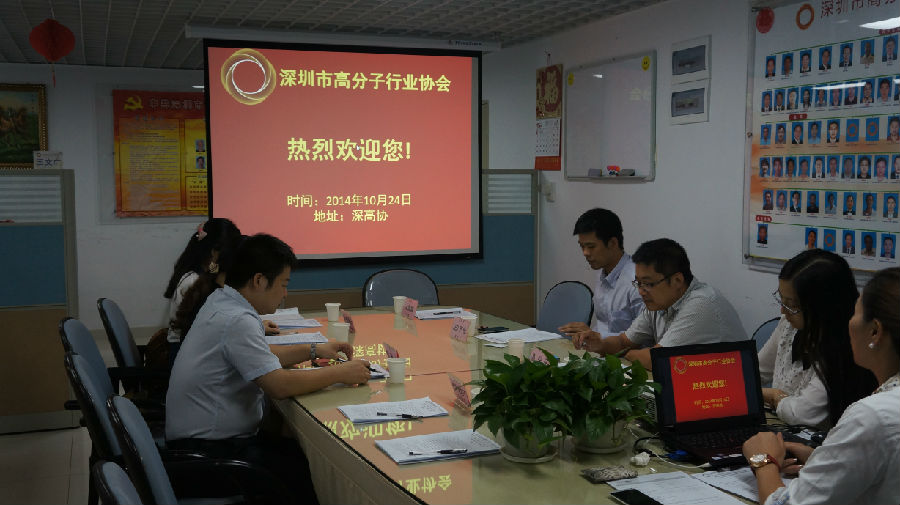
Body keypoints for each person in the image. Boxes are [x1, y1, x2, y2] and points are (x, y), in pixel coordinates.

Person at [166, 234, 372, 504]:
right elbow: (279, 385)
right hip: (208, 457)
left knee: (295, 452)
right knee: (302, 469)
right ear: (259, 280)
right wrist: (341, 373)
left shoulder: (223, 301)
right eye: (284, 284)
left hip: (201, 446)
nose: (285, 294)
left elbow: (258, 356)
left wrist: (313, 349)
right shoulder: (237, 319)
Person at [742, 268, 899, 505]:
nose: (848, 323)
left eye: (855, 313)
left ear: (874, 331)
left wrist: (763, 461)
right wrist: (822, 458)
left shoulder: (872, 415)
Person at [571, 238, 747, 369]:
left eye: (648, 283)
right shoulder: (658, 302)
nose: (641, 291)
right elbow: (624, 341)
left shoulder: (702, 304)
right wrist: (601, 344)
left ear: (677, 280)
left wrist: (624, 353)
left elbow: (657, 359)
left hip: (728, 394)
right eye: (638, 283)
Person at [758, 250, 874, 428]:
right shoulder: (790, 325)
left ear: (823, 307)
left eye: (793, 305)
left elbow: (801, 414)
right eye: (782, 300)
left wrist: (774, 396)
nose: (783, 311)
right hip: (780, 426)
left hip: (820, 438)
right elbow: (757, 371)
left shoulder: (845, 348)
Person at [164, 219, 243, 362]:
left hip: (192, 347)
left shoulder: (205, 273)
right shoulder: (193, 281)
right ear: (215, 252)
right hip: (183, 352)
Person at [558, 208, 643, 338]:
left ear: (612, 243)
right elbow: (604, 326)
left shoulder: (637, 280)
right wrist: (588, 336)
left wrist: (596, 337)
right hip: (599, 348)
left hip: (627, 351)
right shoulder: (602, 272)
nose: (585, 253)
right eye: (582, 246)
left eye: (591, 247)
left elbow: (642, 337)